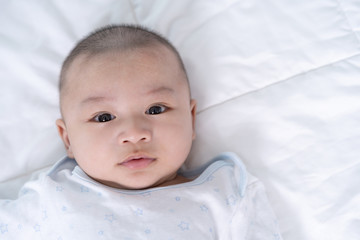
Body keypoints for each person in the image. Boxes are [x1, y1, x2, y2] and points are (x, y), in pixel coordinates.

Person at [0, 24, 282, 239]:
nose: (134, 133)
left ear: (191, 119)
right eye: (104, 117)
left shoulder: (227, 194)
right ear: (68, 139)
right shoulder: (52, 199)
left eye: (156, 109)